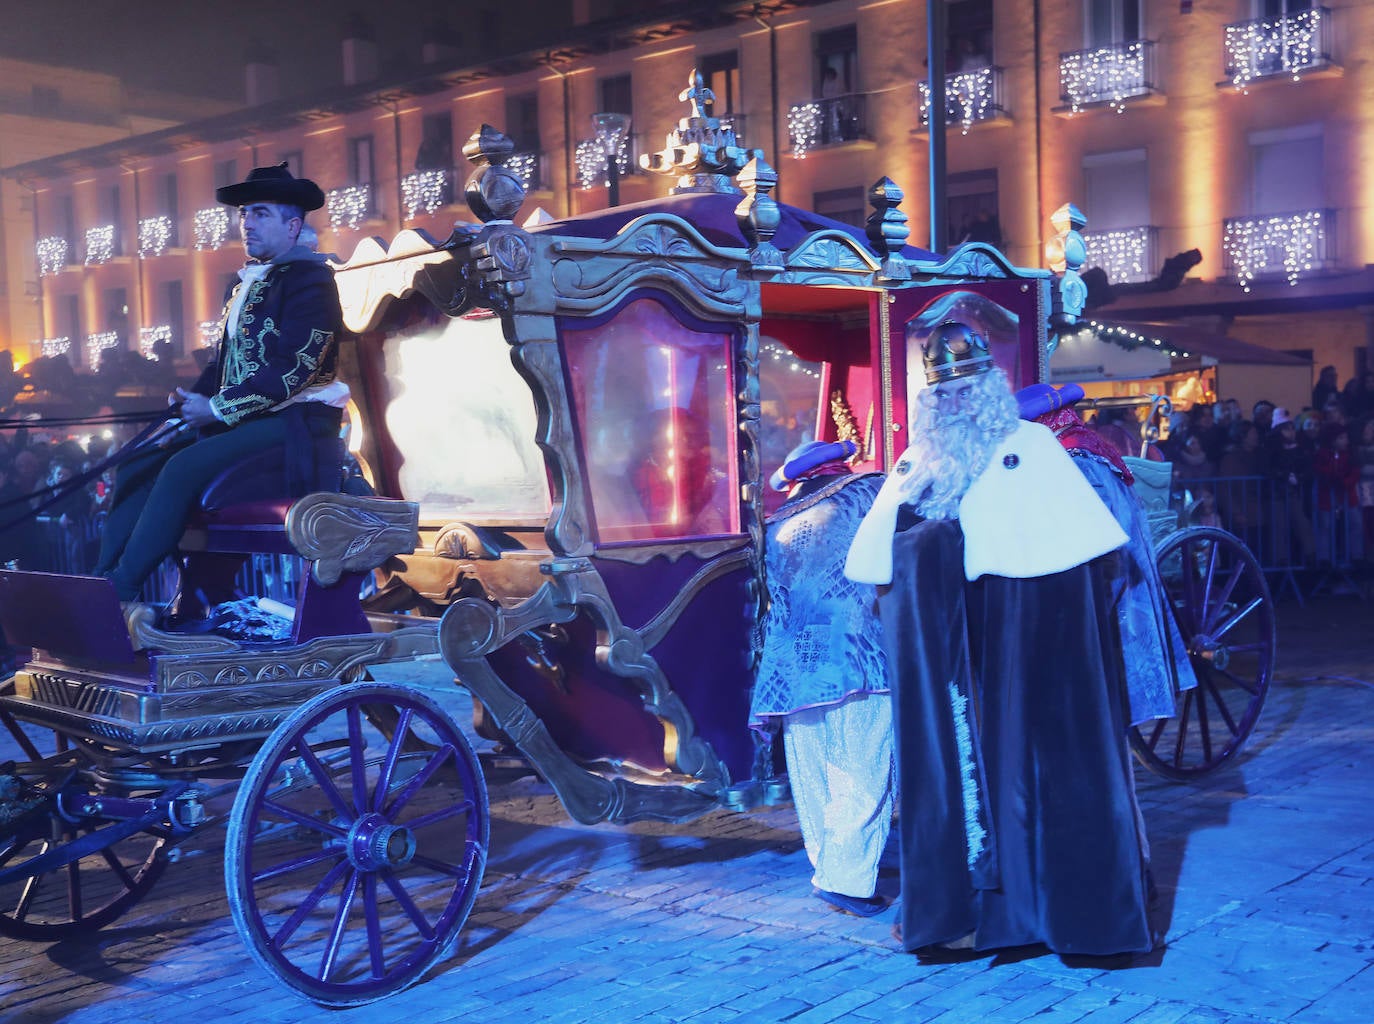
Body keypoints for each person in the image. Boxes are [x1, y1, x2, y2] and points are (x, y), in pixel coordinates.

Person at [846, 321, 1154, 959]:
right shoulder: (916, 464)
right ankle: (960, 913)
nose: (955, 402)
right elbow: (876, 563)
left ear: (991, 387)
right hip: (952, 663)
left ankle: (1047, 912)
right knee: (959, 776)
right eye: (943, 392)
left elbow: (1085, 561)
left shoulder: (1034, 448)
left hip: (1029, 653)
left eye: (967, 387)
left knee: (1034, 773)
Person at [94, 164, 347, 608]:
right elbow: (224, 362)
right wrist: (194, 398)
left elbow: (297, 369)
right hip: (248, 420)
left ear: (292, 225)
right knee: (135, 468)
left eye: (260, 213)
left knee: (181, 469)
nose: (246, 222)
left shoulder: (313, 280)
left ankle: (123, 590)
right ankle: (100, 582)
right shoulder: (244, 281)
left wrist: (217, 410)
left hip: (297, 422)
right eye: (245, 213)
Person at [749, 439, 893, 918]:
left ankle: (829, 868)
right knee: (864, 764)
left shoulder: (775, 522)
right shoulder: (871, 493)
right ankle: (849, 881)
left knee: (815, 767)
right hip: (858, 650)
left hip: (796, 657)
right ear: (842, 464)